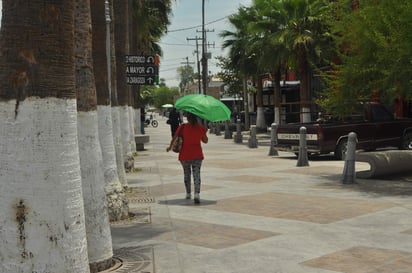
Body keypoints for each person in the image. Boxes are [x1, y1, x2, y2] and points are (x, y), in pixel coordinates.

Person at [166, 112, 208, 204]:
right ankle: (197, 194)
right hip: (197, 155)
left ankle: (188, 193)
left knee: (187, 174)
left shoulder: (183, 127)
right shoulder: (200, 128)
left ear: (187, 118)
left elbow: (175, 137)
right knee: (196, 174)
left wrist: (170, 147)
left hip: (184, 155)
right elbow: (205, 141)